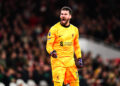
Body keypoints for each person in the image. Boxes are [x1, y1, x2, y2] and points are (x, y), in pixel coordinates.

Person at [46, 6, 83, 86]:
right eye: (61, 14)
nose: (63, 16)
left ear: (70, 16)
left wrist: (79, 58)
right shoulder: (54, 29)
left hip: (70, 62)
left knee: (76, 84)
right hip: (58, 62)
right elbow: (48, 45)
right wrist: (52, 52)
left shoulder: (75, 29)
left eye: (65, 14)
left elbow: (76, 45)